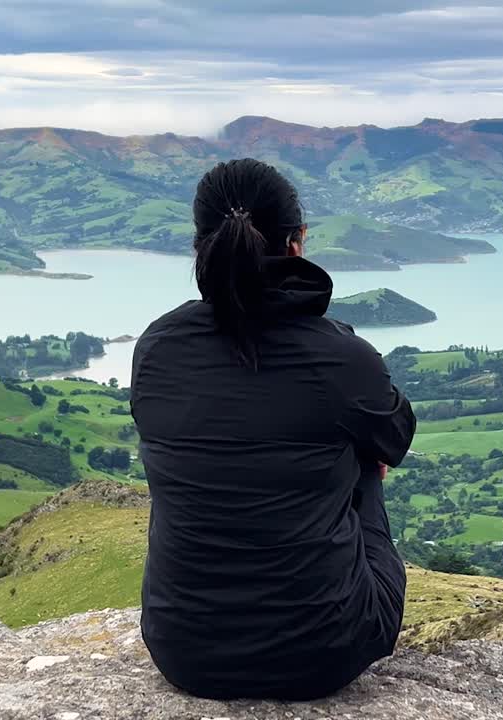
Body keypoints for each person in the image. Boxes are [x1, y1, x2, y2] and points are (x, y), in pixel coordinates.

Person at [130, 158, 416, 700]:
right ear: (297, 241)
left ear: (199, 246)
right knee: (363, 457)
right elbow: (394, 440)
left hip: (184, 651)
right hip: (325, 654)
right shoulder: (340, 357)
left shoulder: (157, 347)